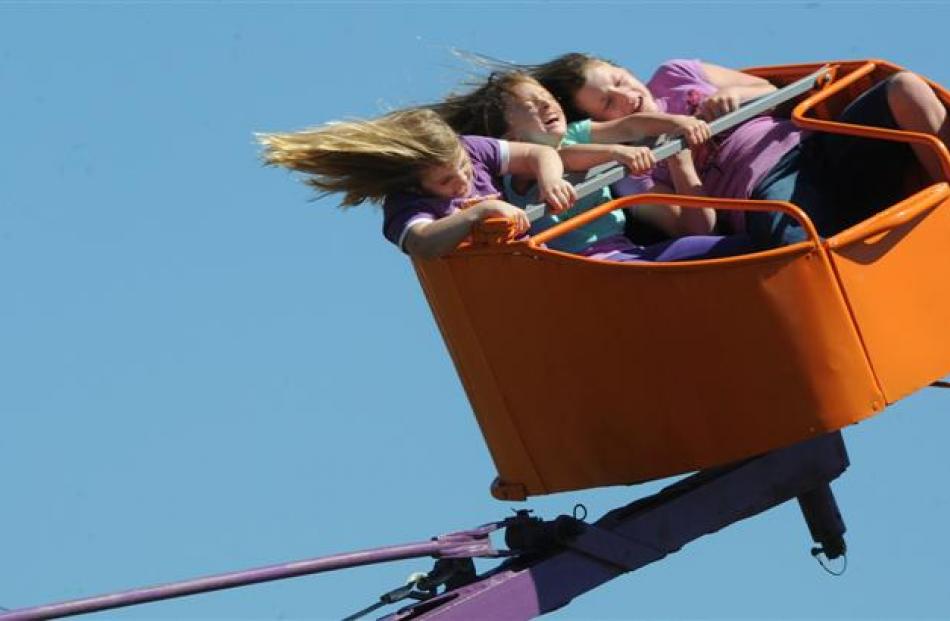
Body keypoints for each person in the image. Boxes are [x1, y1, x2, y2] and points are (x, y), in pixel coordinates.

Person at [531, 53, 950, 247]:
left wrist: (728, 95)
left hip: (814, 146)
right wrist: (681, 166)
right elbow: (698, 229)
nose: (625, 96)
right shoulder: (631, 167)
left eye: (618, 79)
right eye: (607, 103)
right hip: (767, 194)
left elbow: (773, 93)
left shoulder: (674, 75)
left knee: (905, 90)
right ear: (598, 122)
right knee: (798, 246)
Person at [430, 71, 750, 261]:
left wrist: (678, 122)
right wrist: (616, 154)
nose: (546, 105)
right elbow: (560, 159)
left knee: (737, 249)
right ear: (510, 134)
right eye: (531, 107)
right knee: (728, 252)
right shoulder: (520, 167)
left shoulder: (575, 133)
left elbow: (631, 126)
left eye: (545, 98)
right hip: (585, 263)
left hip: (623, 251)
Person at [257, 107, 576, 258]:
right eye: (446, 180)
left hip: (535, 262)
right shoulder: (408, 204)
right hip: (484, 292)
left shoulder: (470, 150)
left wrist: (550, 180)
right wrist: (478, 213)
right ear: (415, 185)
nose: (462, 180)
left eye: (463, 167)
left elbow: (538, 153)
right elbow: (422, 243)